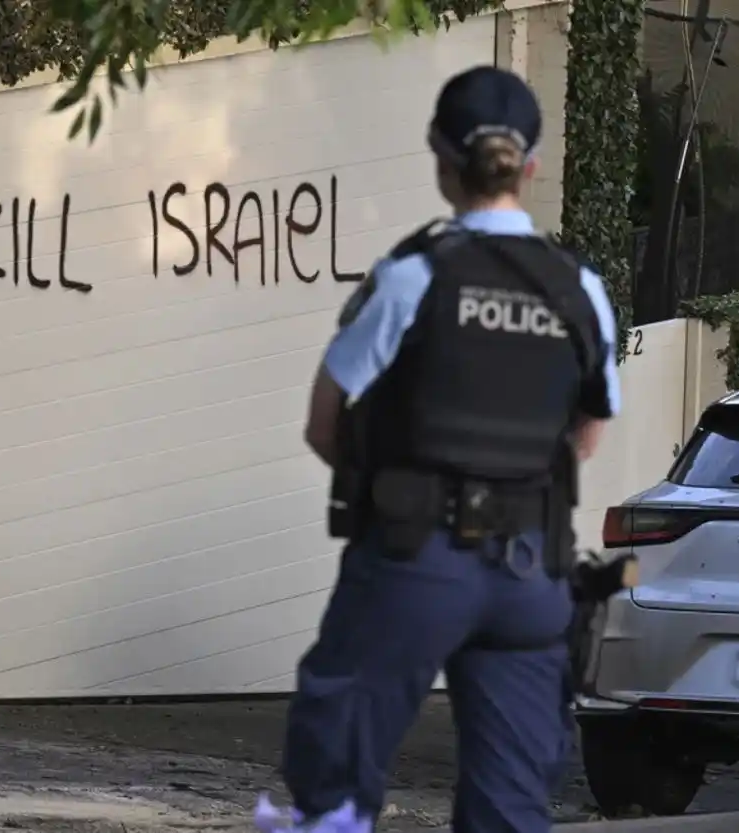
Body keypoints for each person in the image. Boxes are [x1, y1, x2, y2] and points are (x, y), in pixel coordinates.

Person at [252, 65, 622, 833]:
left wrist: (395, 486)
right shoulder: (579, 289)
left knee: (338, 770)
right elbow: (587, 435)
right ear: (533, 164)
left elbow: (325, 422)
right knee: (512, 803)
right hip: (531, 572)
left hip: (413, 561)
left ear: (439, 159)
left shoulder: (415, 276)